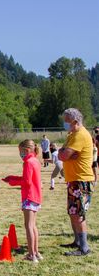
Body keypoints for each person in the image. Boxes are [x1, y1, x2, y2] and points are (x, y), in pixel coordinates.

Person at [58, 108, 94, 256]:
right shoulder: (72, 134)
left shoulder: (80, 135)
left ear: (75, 121)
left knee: (78, 214)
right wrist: (66, 153)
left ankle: (84, 248)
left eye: (67, 121)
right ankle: (77, 241)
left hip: (81, 180)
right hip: (74, 180)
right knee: (73, 212)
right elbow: (63, 154)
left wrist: (66, 153)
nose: (65, 124)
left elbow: (64, 155)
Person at [2, 139, 42, 263]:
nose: (20, 155)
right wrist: (13, 177)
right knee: (33, 226)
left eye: (20, 152)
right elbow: (27, 178)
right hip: (36, 197)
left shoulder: (28, 162)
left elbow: (26, 182)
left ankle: (31, 255)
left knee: (28, 226)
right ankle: (36, 252)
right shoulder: (35, 160)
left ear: (26, 150)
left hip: (29, 197)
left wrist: (12, 182)